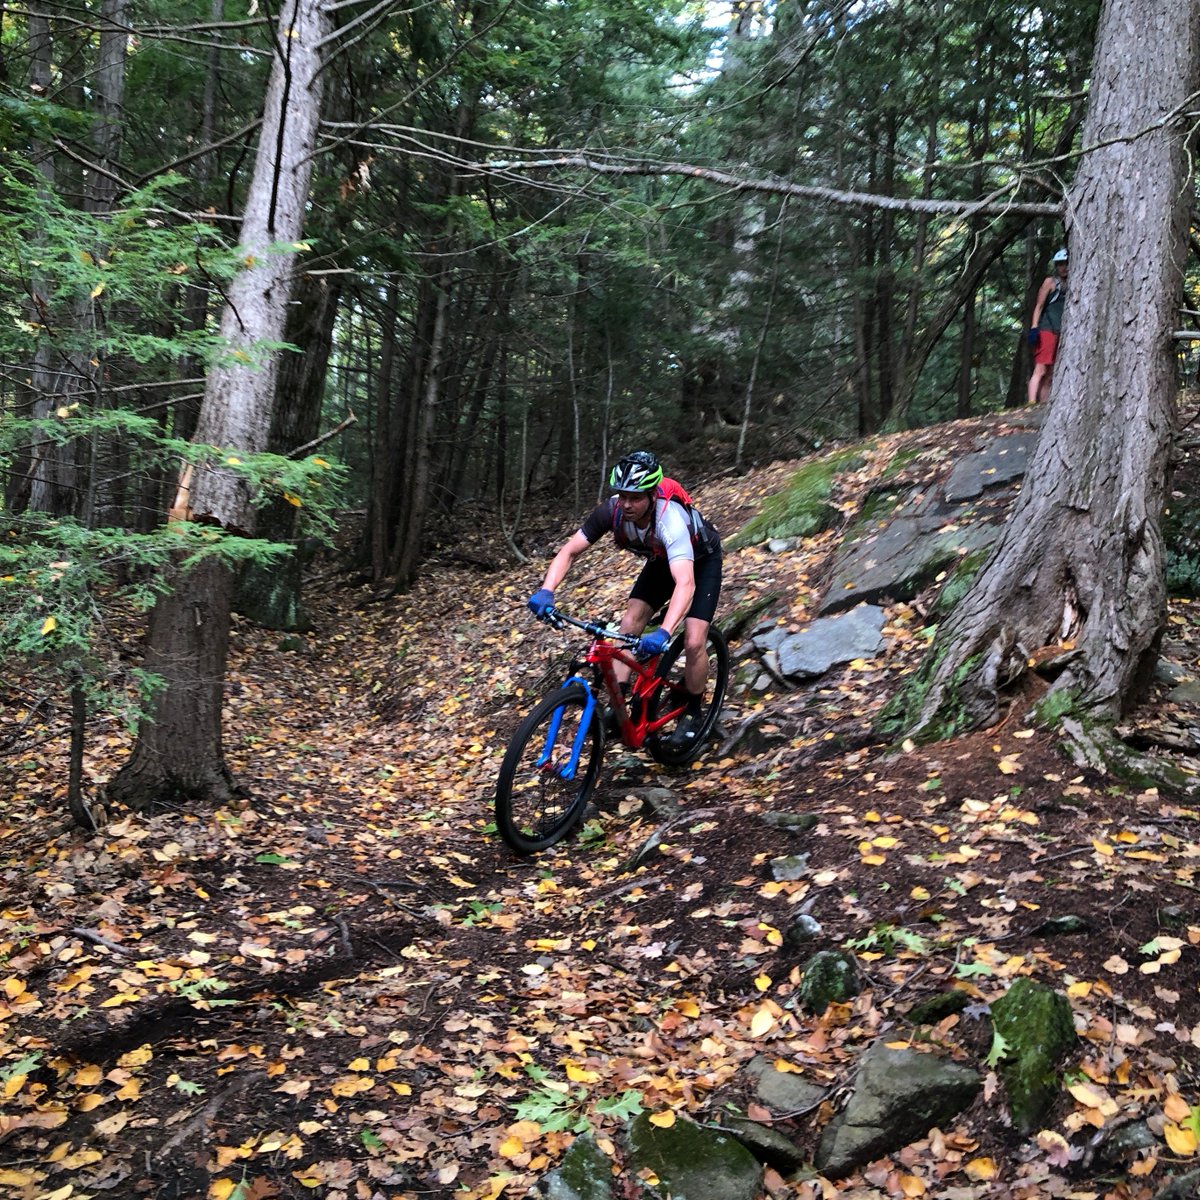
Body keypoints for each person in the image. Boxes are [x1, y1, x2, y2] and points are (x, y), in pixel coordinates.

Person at [527, 450, 722, 750]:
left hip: (700, 561)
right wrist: (546, 590)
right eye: (623, 495)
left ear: (652, 495)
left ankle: (694, 712)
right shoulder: (612, 511)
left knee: (695, 639)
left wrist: (665, 632)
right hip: (661, 560)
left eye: (636, 497)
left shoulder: (669, 519)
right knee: (629, 623)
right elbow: (569, 551)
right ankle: (617, 708)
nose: (627, 504)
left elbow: (685, 582)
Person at [1026, 247, 1068, 405]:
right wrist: (1034, 328)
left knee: (1050, 373)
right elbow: (1039, 306)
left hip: (1061, 332)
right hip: (1046, 330)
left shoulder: (1073, 283)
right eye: (1059, 264)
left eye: (1065, 263)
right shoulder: (1050, 282)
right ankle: (1031, 402)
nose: (1063, 267)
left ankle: (1043, 405)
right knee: (1041, 369)